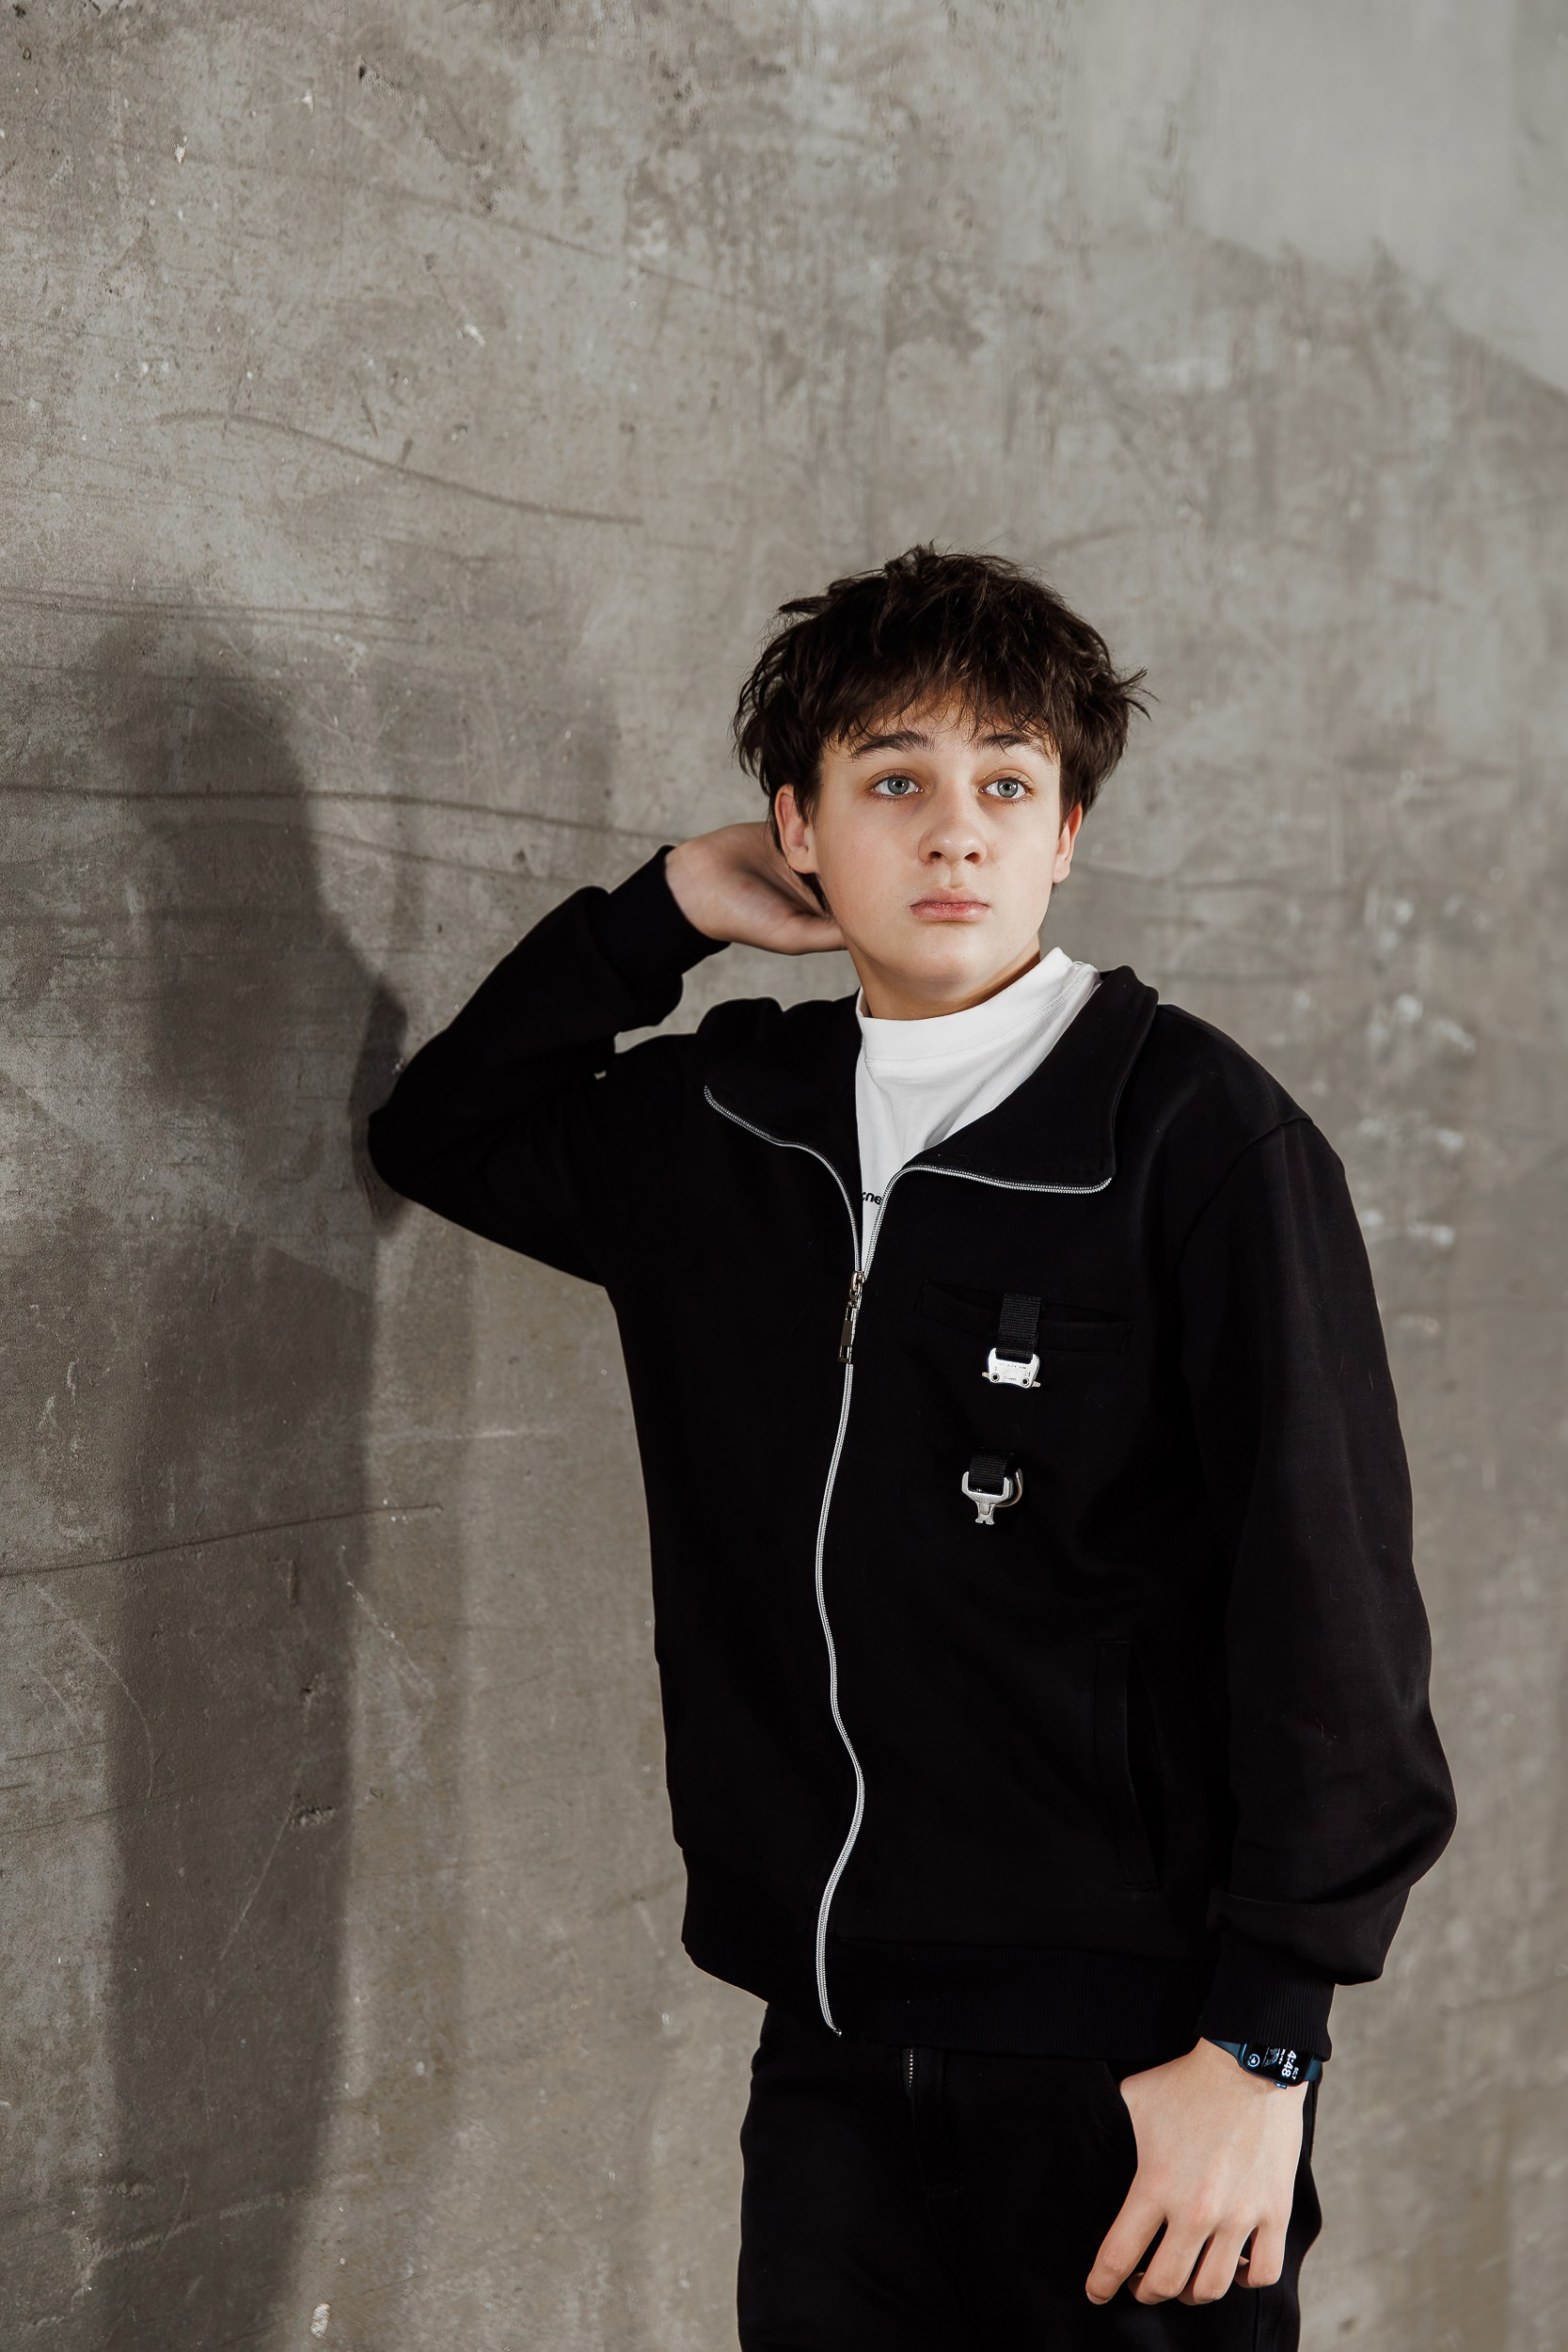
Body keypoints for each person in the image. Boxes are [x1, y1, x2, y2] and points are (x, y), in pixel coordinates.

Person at [366, 546, 1456, 2347]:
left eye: (1007, 785)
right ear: (798, 827)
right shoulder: (728, 1122)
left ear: (1068, 832)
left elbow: (1328, 1609)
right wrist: (664, 912)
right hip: (829, 2046)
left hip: (1137, 2056)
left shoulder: (1193, 1137)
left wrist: (1268, 2043)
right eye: (893, 781)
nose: (956, 833)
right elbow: (443, 1134)